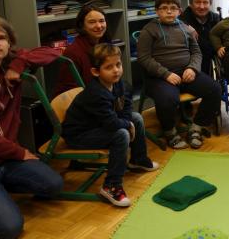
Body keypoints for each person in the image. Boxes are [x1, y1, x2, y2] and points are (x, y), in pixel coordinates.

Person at [0, 16, 63, 238]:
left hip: (7, 159)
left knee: (53, 185)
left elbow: (52, 52)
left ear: (9, 44)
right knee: (10, 229)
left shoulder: (8, 68)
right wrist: (19, 152)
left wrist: (18, 64)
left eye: (2, 38)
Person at [62, 43, 159, 207]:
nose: (116, 70)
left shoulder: (120, 83)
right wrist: (126, 124)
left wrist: (128, 121)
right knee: (122, 134)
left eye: (118, 65)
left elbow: (127, 106)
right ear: (95, 72)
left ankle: (138, 159)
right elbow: (111, 123)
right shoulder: (95, 93)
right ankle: (111, 186)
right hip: (79, 135)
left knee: (136, 117)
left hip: (98, 125)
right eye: (109, 67)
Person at [137, 0, 221, 150]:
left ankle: (197, 127)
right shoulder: (148, 30)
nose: (169, 11)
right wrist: (166, 74)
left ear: (179, 11)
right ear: (156, 11)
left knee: (215, 89)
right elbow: (144, 58)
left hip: (185, 73)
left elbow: (196, 52)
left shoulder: (185, 28)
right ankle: (170, 131)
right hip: (159, 77)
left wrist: (192, 68)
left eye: (173, 8)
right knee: (168, 98)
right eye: (163, 8)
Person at [55, 4, 109, 96]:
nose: (99, 26)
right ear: (82, 25)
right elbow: (71, 91)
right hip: (80, 101)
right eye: (92, 22)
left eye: (101, 21)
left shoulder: (104, 43)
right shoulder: (74, 52)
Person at [180, 0, 221, 76]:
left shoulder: (216, 18)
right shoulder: (181, 20)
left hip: (211, 55)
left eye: (205, 2)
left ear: (210, 4)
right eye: (198, 2)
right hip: (191, 58)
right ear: (190, 4)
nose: (202, 7)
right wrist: (186, 26)